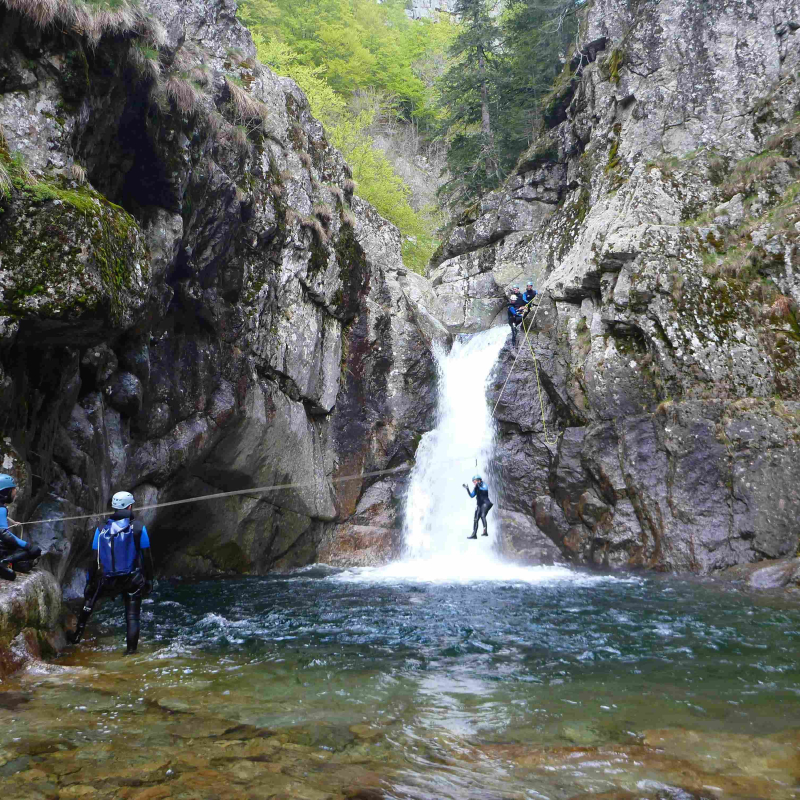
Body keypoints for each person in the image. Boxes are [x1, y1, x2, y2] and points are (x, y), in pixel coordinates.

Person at [67, 490, 154, 654]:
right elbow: (147, 557)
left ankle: (77, 635)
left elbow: (94, 559)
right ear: (130, 506)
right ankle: (130, 652)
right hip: (132, 580)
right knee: (132, 617)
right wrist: (149, 581)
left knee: (89, 601)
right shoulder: (139, 528)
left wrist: (89, 583)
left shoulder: (101, 529)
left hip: (107, 580)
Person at [0, 474, 42, 582]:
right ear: (5, 493)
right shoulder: (1, 509)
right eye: (13, 491)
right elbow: (3, 533)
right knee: (34, 551)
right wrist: (26, 545)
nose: (15, 494)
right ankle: (5, 562)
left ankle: (11, 563)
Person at [463, 475, 493, 540]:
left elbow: (484, 489)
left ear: (479, 480)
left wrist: (479, 485)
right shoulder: (476, 487)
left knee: (482, 515)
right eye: (473, 482)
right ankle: (474, 534)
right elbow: (471, 495)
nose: (474, 483)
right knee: (475, 519)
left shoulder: (484, 485)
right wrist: (467, 489)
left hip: (485, 503)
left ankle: (485, 531)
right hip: (479, 505)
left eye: (475, 481)